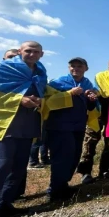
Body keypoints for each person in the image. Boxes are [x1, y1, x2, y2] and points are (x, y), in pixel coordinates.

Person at [0, 41, 47, 217]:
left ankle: (4, 204)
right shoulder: (4, 68)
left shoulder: (41, 73)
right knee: (2, 164)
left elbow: (43, 92)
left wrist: (40, 100)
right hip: (6, 126)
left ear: (42, 54)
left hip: (28, 126)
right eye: (28, 51)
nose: (32, 54)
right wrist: (19, 100)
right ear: (20, 51)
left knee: (18, 168)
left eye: (36, 52)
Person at [44, 57, 99, 201]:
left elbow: (90, 107)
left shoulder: (87, 84)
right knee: (62, 158)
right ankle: (54, 191)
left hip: (78, 126)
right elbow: (48, 102)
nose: (76, 68)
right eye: (72, 66)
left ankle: (62, 185)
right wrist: (69, 93)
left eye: (79, 66)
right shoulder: (57, 83)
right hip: (60, 126)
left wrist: (91, 99)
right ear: (68, 68)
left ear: (86, 68)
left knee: (74, 156)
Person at [77, 58, 109, 184]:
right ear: (108, 68)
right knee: (90, 141)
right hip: (98, 113)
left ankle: (105, 169)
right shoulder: (101, 76)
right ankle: (85, 172)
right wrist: (92, 94)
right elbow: (97, 90)